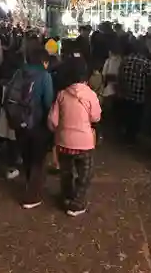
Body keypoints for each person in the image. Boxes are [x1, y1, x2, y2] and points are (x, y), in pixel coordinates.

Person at [48, 57, 101, 217]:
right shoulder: (90, 94)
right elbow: (96, 117)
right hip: (84, 143)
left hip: (64, 143)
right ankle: (77, 204)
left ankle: (67, 196)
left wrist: (59, 131)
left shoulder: (61, 94)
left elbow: (53, 120)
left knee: (66, 172)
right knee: (85, 174)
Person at [4, 48, 53, 209]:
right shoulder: (44, 76)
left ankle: (29, 183)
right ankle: (32, 196)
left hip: (19, 122)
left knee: (26, 154)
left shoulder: (19, 73)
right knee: (37, 158)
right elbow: (48, 102)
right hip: (37, 123)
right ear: (44, 62)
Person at [117, 41, 151, 143]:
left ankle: (124, 134)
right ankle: (131, 138)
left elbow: (119, 76)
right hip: (139, 96)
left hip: (125, 94)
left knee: (126, 114)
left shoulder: (125, 60)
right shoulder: (147, 63)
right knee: (136, 118)